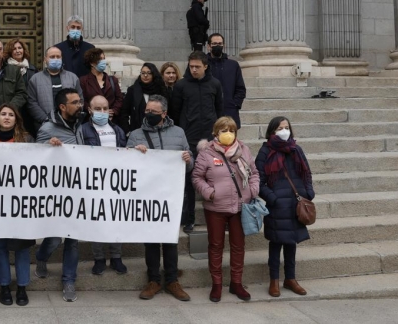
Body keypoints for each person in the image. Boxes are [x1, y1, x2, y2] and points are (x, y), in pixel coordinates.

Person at [127, 95, 193, 302]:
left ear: (164, 114)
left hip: (171, 195)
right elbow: (126, 163)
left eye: (153, 112)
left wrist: (188, 159)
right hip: (147, 195)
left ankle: (172, 280)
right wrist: (135, 153)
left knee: (171, 240)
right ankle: (154, 280)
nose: (149, 115)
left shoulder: (178, 132)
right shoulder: (136, 135)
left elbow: (189, 164)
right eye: (147, 111)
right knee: (152, 240)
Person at [192, 116, 260, 303]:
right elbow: (197, 177)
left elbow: (254, 173)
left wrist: (253, 190)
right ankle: (217, 284)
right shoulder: (207, 153)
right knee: (215, 246)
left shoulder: (244, 150)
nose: (228, 134)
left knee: (238, 246)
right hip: (216, 207)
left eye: (231, 130)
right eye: (224, 130)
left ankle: (236, 283)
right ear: (216, 133)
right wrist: (210, 193)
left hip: (240, 206)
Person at [255, 116, 315, 298]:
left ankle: (290, 278)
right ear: (272, 131)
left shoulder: (296, 149)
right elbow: (258, 180)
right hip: (278, 205)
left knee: (292, 242)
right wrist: (273, 199)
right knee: (276, 243)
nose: (284, 131)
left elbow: (307, 173)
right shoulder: (265, 151)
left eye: (286, 127)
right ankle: (274, 280)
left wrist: (309, 193)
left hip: (295, 204)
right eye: (280, 128)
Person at [35, 88, 84, 302]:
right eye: (75, 102)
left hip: (79, 190)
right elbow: (36, 155)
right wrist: (48, 146)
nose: (80, 105)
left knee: (73, 239)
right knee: (54, 237)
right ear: (63, 107)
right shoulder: (48, 127)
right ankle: (41, 257)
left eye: (80, 101)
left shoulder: (84, 125)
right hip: (56, 193)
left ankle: (69, 280)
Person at [0, 104, 35, 306]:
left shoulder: (28, 140)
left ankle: (22, 287)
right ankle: (4, 286)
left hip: (21, 203)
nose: (7, 118)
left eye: (11, 115)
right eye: (3, 114)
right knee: (0, 247)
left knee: (22, 247)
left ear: (17, 119)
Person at [170, 51, 223, 234]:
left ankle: (217, 216)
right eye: (191, 66)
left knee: (214, 177)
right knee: (190, 180)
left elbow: (220, 111)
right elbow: (175, 113)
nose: (193, 70)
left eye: (197, 67)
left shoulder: (215, 84)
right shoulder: (181, 86)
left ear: (205, 66)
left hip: (210, 139)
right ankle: (189, 219)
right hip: (188, 139)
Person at [75, 95, 128, 276]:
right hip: (93, 183)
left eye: (105, 108)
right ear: (89, 110)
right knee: (96, 221)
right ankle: (99, 259)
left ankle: (116, 257)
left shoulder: (118, 131)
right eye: (98, 109)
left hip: (115, 183)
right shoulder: (82, 130)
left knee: (116, 220)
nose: (102, 112)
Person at [27, 46, 83, 131]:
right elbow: (31, 102)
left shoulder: (73, 77)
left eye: (58, 57)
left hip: (70, 125)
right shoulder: (35, 79)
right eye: (52, 57)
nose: (55, 59)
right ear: (45, 59)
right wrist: (46, 119)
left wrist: (72, 115)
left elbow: (80, 99)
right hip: (44, 126)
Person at [207, 33, 246, 128]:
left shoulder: (233, 65)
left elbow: (240, 88)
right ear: (208, 46)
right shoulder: (203, 65)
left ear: (224, 45)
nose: (217, 46)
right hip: (208, 113)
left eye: (220, 43)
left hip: (229, 111)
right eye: (214, 44)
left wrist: (235, 104)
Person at [118, 63, 168, 135]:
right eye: (143, 73)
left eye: (149, 73)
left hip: (158, 131)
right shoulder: (133, 90)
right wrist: (127, 131)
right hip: (137, 131)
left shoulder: (161, 90)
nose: (145, 75)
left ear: (154, 74)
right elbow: (124, 112)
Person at [5, 37, 39, 136]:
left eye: (20, 48)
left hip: (28, 110)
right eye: (14, 49)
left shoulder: (32, 69)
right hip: (12, 106)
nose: (17, 51)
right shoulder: (5, 68)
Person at [79, 48, 123, 121]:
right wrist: (94, 112)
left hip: (111, 120)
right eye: (100, 59)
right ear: (91, 63)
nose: (103, 61)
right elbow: (82, 100)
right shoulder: (83, 81)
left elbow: (119, 98)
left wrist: (114, 111)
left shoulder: (112, 80)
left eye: (103, 58)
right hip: (91, 119)